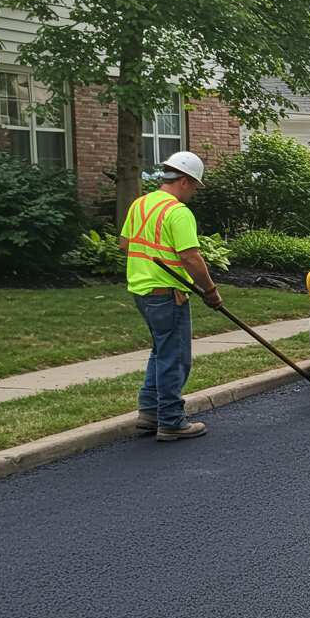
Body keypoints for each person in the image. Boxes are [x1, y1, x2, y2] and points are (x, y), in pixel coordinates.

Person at [119, 152, 222, 442]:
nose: (193, 193)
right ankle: (171, 420)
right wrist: (210, 291)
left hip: (142, 292)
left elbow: (125, 244)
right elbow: (190, 257)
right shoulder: (178, 212)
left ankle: (149, 412)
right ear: (185, 181)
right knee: (174, 358)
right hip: (167, 294)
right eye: (195, 186)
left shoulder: (140, 204)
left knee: (160, 352)